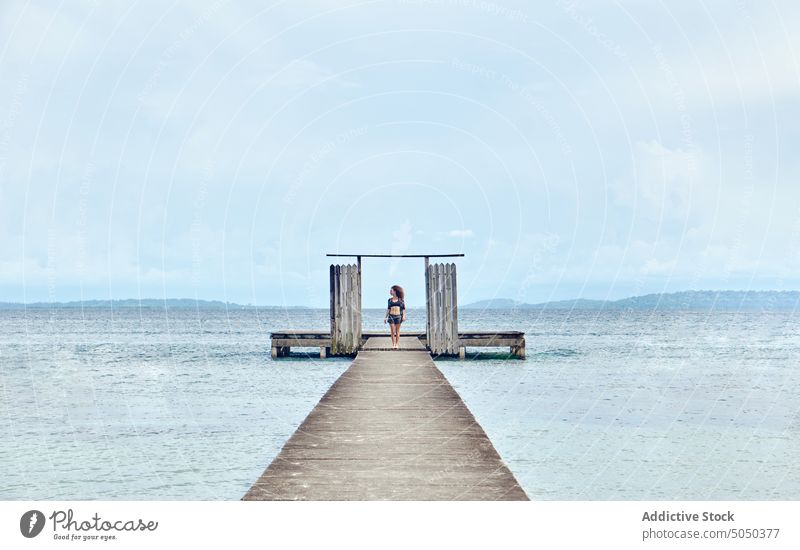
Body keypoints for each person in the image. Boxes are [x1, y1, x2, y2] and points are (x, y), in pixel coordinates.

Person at [383, 285, 406, 349]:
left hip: (398, 316)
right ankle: (393, 344)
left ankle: (397, 344)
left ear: (395, 291)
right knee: (392, 331)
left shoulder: (401, 300)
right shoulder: (389, 300)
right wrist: (385, 317)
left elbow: (404, 309)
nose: (390, 291)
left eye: (391, 290)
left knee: (397, 331)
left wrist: (404, 316)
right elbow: (388, 309)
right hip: (391, 316)